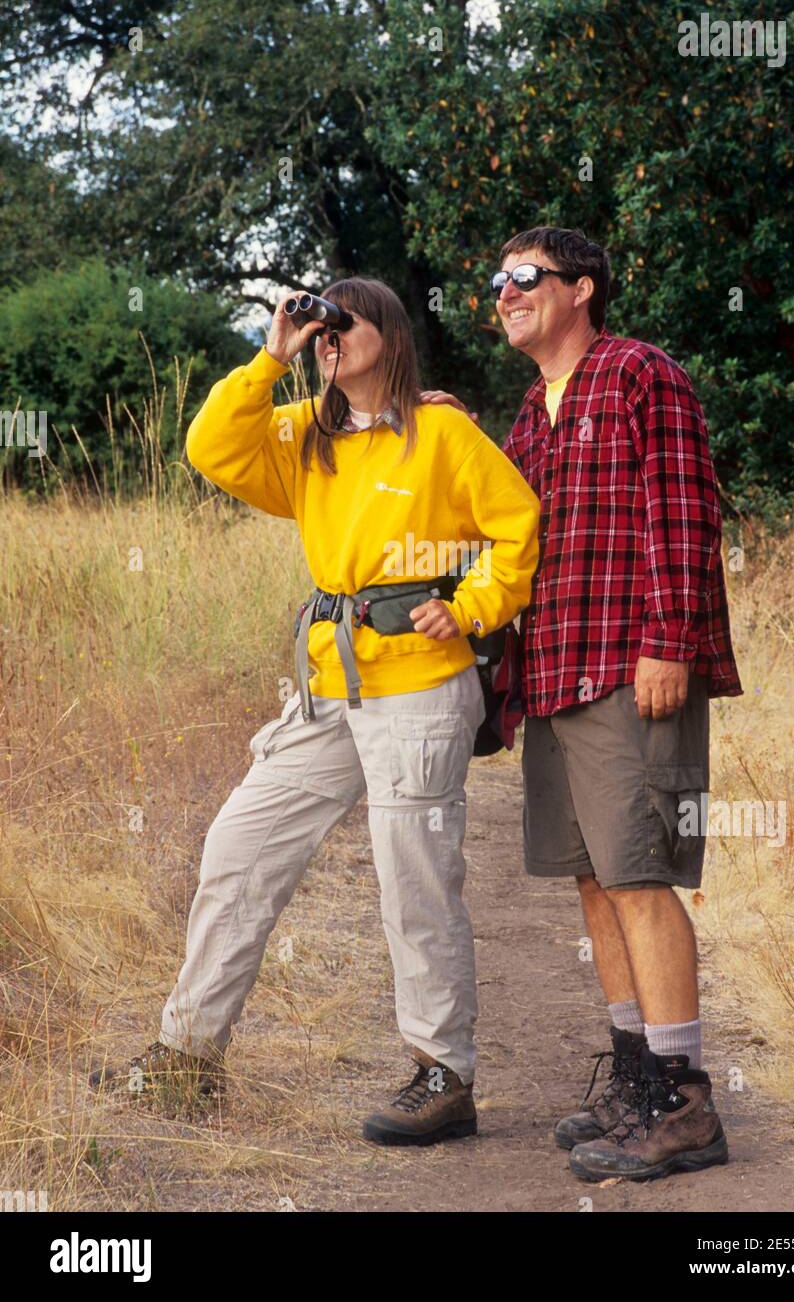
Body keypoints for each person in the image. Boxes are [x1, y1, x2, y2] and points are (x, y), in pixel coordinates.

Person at [90, 276, 540, 1147]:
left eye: (345, 321)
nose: (328, 335)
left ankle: (442, 1074)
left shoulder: (443, 431)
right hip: (328, 686)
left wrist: (477, 604)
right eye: (319, 325)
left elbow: (518, 525)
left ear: (392, 336)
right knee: (238, 849)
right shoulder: (307, 438)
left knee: (413, 880)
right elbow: (211, 448)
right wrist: (272, 355)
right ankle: (187, 1058)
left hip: (416, 684)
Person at [422, 226, 743, 1181]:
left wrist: (667, 644)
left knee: (641, 876)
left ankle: (688, 1104)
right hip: (553, 674)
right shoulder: (527, 412)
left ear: (583, 288)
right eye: (497, 280)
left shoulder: (643, 374)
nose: (504, 291)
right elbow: (497, 525)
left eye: (525, 276)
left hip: (629, 666)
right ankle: (638, 1080)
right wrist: (450, 430)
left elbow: (685, 511)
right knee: (594, 880)